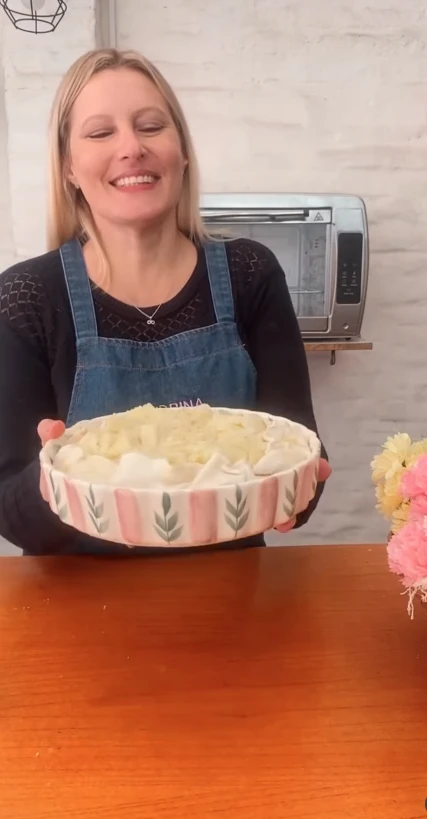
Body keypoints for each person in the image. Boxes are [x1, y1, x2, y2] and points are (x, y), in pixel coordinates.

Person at [0, 48, 330, 556]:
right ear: (68, 166)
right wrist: (54, 481)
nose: (132, 148)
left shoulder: (251, 274)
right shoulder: (26, 297)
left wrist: (297, 490)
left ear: (183, 151)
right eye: (100, 133)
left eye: (151, 126)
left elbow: (301, 454)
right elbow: (9, 510)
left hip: (231, 589)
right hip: (76, 598)